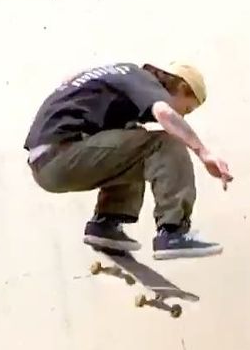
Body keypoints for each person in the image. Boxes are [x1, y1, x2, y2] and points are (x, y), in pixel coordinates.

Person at [23, 61, 233, 259]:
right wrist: (204, 153)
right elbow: (164, 113)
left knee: (133, 139)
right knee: (165, 142)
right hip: (62, 153)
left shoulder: (121, 77)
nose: (183, 116)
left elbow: (70, 79)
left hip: (45, 161)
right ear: (180, 87)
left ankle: (107, 223)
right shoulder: (144, 80)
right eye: (187, 109)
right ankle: (173, 231)